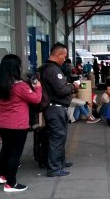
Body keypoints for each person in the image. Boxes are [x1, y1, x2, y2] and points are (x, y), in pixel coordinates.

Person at [0, 54, 42, 192]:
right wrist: (37, 86)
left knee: (6, 150)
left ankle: (2, 176)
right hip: (18, 125)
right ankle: (11, 183)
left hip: (3, 123)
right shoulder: (19, 86)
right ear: (16, 68)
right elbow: (36, 99)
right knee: (15, 153)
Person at [40, 42, 80, 177]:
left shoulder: (46, 68)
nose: (65, 60)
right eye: (64, 57)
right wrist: (73, 87)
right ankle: (54, 168)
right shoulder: (53, 69)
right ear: (59, 55)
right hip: (55, 108)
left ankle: (60, 162)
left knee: (60, 137)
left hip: (54, 108)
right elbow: (61, 89)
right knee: (57, 137)